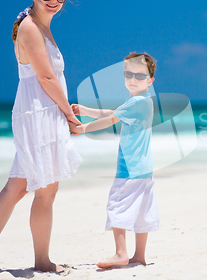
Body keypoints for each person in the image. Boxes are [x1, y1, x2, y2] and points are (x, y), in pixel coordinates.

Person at [0, 0, 82, 273]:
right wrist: (69, 116)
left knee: (19, 186)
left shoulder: (39, 26)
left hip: (42, 111)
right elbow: (44, 76)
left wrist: (64, 107)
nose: (54, 0)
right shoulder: (31, 27)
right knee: (45, 188)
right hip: (38, 114)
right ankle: (42, 261)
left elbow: (48, 76)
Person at [70, 53, 159, 268]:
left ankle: (121, 253)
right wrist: (85, 111)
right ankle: (139, 256)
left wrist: (82, 128)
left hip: (129, 168)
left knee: (117, 204)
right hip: (145, 169)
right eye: (128, 74)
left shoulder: (136, 102)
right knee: (142, 211)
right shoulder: (143, 101)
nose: (132, 79)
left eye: (139, 75)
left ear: (150, 81)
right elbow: (113, 112)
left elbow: (111, 119)